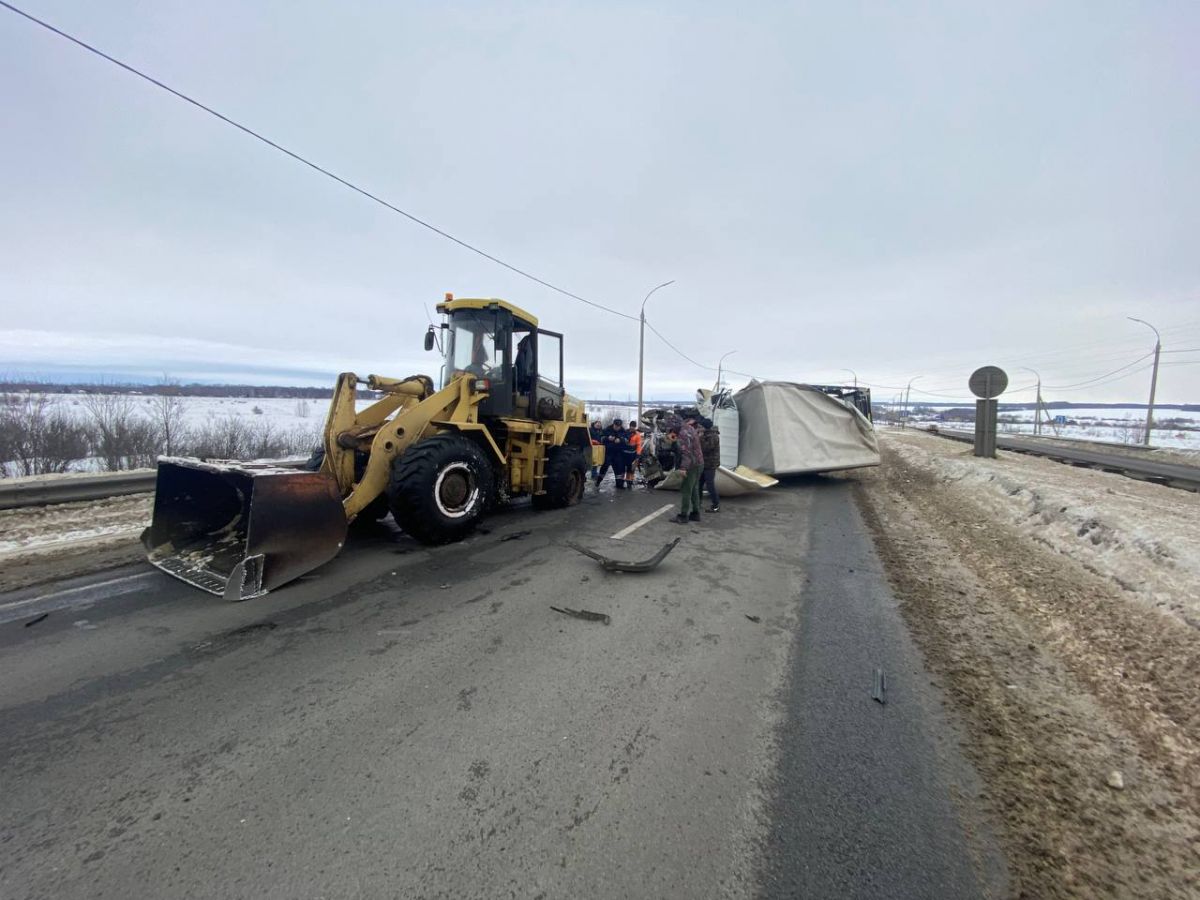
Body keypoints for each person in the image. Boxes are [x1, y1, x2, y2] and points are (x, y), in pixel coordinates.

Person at [671, 414, 704, 523]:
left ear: (675, 424)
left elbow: (686, 453)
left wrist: (683, 468)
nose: (671, 429)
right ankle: (695, 513)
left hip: (691, 465)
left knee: (686, 489)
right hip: (699, 463)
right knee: (694, 488)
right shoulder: (689, 428)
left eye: (671, 426)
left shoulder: (683, 434)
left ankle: (683, 515)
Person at [595, 418, 630, 489]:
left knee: (619, 470)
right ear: (613, 424)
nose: (617, 428)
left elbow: (627, 440)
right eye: (616, 426)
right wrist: (608, 438)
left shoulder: (623, 431)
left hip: (618, 454)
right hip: (608, 453)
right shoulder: (607, 429)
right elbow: (600, 438)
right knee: (604, 468)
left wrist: (621, 440)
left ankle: (619, 485)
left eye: (618, 426)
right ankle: (598, 482)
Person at [699, 416, 721, 512]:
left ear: (705, 427)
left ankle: (716, 505)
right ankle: (698, 503)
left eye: (701, 426)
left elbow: (706, 448)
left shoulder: (713, 436)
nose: (699, 428)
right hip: (704, 463)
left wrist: (700, 438)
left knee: (709, 485)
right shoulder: (707, 435)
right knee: (699, 484)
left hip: (710, 464)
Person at [623, 419, 643, 488]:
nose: (632, 427)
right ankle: (622, 480)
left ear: (635, 427)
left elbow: (639, 445)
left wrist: (638, 455)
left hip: (632, 454)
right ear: (630, 426)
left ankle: (630, 482)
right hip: (624, 454)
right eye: (632, 426)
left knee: (631, 469)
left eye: (634, 426)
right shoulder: (625, 432)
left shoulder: (637, 435)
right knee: (623, 468)